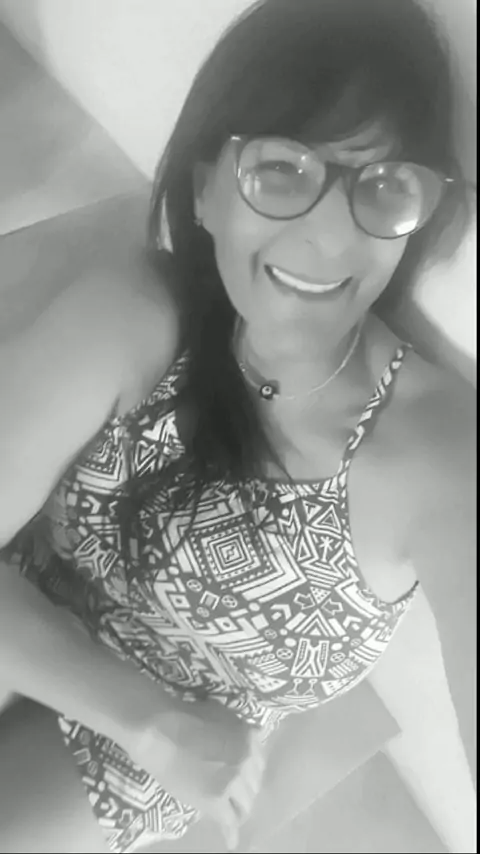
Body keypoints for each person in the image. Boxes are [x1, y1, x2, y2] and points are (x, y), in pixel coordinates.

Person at [0, 0, 476, 852]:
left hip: (188, 729)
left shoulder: (435, 454)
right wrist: (143, 718)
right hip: (33, 604)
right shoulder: (137, 315)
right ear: (205, 190)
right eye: (282, 170)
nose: (330, 234)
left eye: (383, 185)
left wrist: (161, 733)